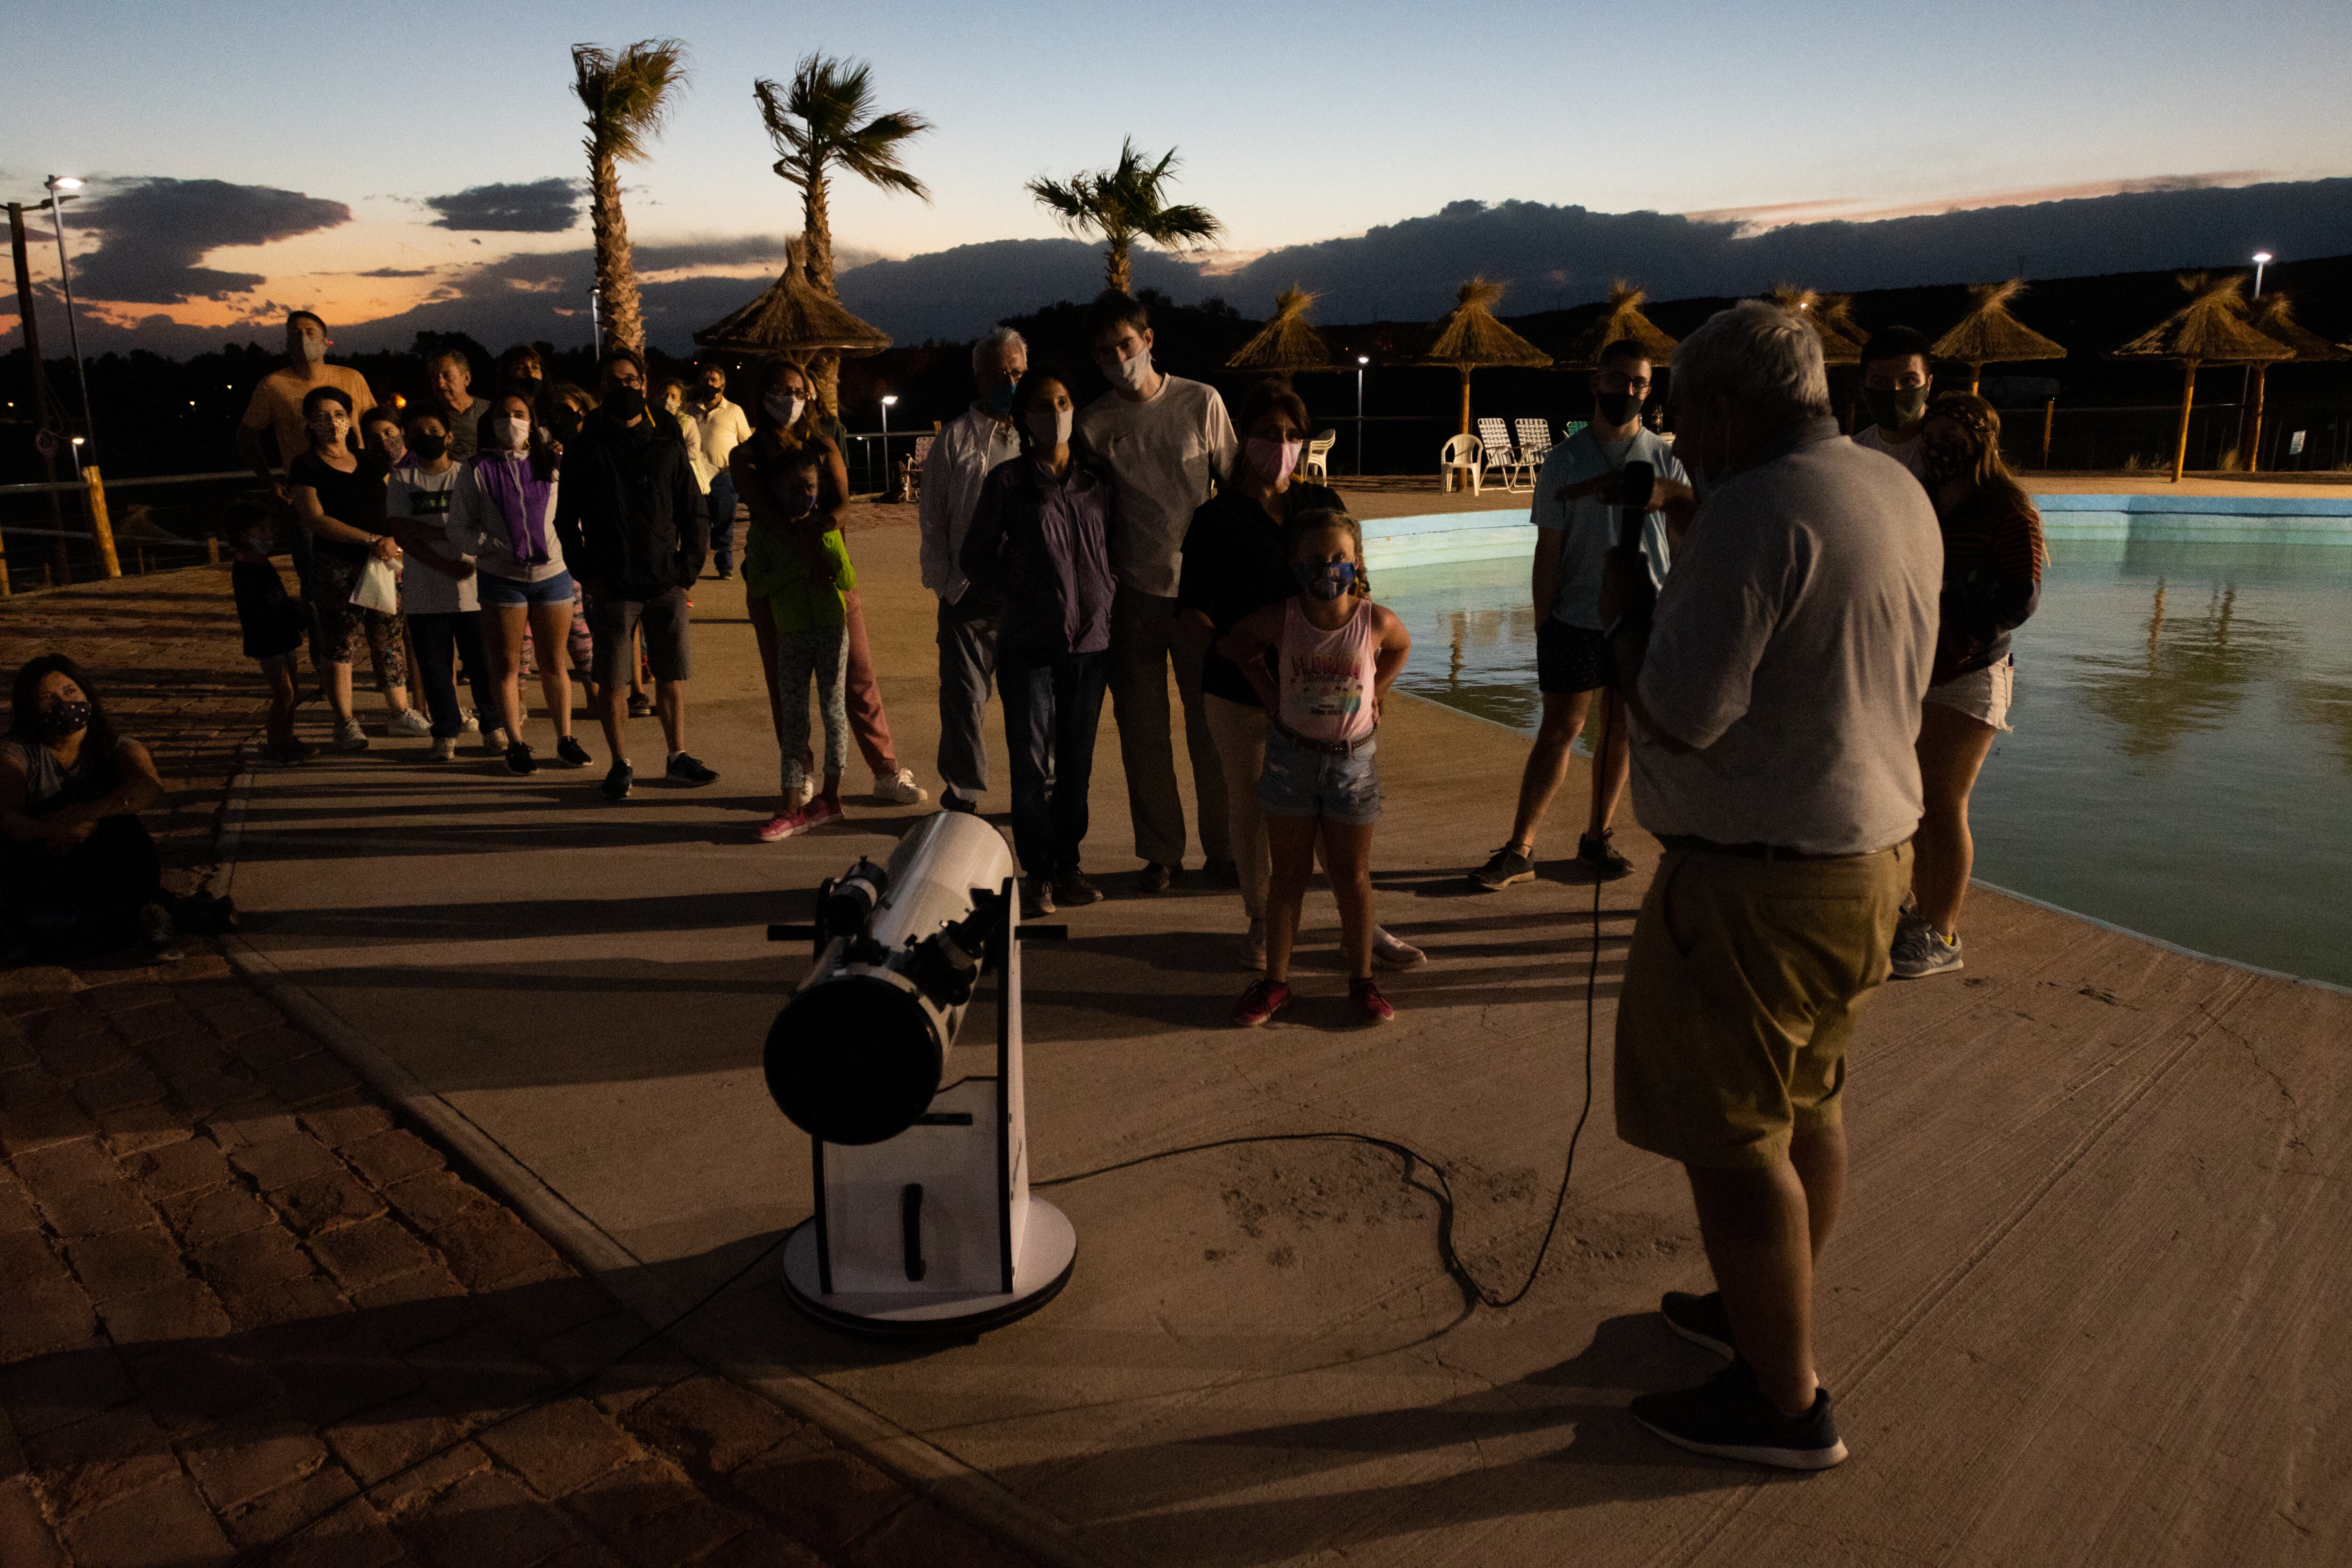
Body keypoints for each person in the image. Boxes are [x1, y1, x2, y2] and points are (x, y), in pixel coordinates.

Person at [1598, 300, 1939, 1469]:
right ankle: (1764, 1310)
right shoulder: (1890, 487)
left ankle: (1783, 1400)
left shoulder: (1751, 512)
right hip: (1867, 867)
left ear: (1728, 411)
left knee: (1735, 1141)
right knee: (1810, 1105)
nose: (1679, 437)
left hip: (1758, 891)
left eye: (1686, 415)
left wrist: (1627, 643)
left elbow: (1685, 715)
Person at [1178, 378, 1425, 973]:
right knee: (1254, 809)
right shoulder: (1215, 519)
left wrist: (1371, 684)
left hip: (1326, 693)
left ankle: (1357, 923)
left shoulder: (1318, 502)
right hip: (1240, 692)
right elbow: (1191, 608)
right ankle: (1262, 918)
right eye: (1268, 433)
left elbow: (1356, 586)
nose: (1282, 445)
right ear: (1243, 437)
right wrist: (1230, 649)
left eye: (1293, 434)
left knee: (1336, 811)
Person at [1469, 340, 1688, 892]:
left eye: (1639, 383)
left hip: (1641, 617)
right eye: (1617, 380)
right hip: (1575, 618)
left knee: (1617, 732)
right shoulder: (1565, 460)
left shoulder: (1665, 459)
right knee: (1559, 730)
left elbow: (1682, 539)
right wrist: (1544, 623)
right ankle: (1521, 845)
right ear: (1595, 383)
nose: (1628, 391)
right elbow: (1549, 548)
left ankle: (1597, 835)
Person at [1217, 509, 1411, 1027]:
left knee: (1352, 877)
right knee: (1288, 878)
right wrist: (1268, 695)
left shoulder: (1374, 621)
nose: (1326, 569)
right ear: (1293, 565)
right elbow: (1238, 646)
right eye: (1312, 561)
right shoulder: (1281, 619)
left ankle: (1362, 980)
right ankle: (1275, 982)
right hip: (1291, 763)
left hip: (1353, 766)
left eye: (1337, 559)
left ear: (1356, 562)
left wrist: (1378, 692)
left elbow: (1400, 647)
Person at [1076, 290, 1240, 893]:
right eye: (1104, 352)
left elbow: (1235, 488)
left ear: (1148, 339)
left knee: (1212, 733)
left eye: (1125, 344)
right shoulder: (1094, 424)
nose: (1118, 357)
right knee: (1143, 734)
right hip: (1133, 597)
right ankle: (1161, 853)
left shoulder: (1201, 402)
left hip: (1199, 598)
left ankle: (1223, 851)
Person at [1891, 393, 2043, 979]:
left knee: (1944, 804)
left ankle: (1941, 932)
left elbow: (2019, 598)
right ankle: (1914, 912)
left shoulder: (2006, 508)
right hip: (1913, 668)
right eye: (1932, 435)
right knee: (1914, 804)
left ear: (1982, 442)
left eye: (1954, 435)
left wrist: (1956, 622)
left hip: (1969, 673)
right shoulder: (1921, 500)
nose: (1939, 447)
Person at [732, 358, 925, 813]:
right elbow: (767, 515)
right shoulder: (746, 457)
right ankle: (800, 774)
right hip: (777, 587)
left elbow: (842, 507)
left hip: (831, 581)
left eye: (799, 391)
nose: (791, 399)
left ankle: (885, 770)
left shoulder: (823, 447)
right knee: (787, 686)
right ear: (762, 395)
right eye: (780, 389)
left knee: (858, 677)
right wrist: (807, 549)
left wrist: (823, 539)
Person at [960, 369, 1116, 917]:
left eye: (1065, 400)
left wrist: (1107, 594)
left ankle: (1069, 866)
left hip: (1092, 647)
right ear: (1024, 418)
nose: (1056, 412)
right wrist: (1025, 584)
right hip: (1029, 648)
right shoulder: (1006, 482)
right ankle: (1039, 874)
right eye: (1045, 405)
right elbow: (975, 558)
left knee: (1077, 766)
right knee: (1031, 769)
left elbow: (1116, 547)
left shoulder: (1097, 478)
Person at [554, 349, 715, 802]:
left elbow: (693, 509)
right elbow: (566, 521)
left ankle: (677, 756)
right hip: (612, 586)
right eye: (612, 381)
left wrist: (687, 569)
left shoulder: (666, 439)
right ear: (600, 388)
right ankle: (621, 763)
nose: (622, 388)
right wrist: (588, 574)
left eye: (630, 380)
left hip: (666, 581)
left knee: (671, 676)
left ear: (643, 385)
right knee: (614, 681)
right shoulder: (585, 446)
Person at [0, 655, 180, 963]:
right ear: (31, 709)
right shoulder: (17, 753)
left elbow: (147, 786)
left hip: (96, 857)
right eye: (48, 697)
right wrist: (49, 829)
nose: (63, 703)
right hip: (44, 858)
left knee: (123, 824)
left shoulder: (116, 746)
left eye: (70, 692)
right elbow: (6, 815)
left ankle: (147, 912)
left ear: (86, 695)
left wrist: (83, 815)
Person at [453, 389, 589, 775]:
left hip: (553, 576)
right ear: (490, 421)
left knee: (554, 663)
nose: (511, 421)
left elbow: (576, 515)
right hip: (502, 580)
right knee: (507, 666)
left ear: (532, 420)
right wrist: (490, 546)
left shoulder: (555, 463)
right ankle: (516, 743)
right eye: (502, 413)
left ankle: (565, 739)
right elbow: (458, 527)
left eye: (519, 413)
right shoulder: (476, 468)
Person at [920, 326, 1026, 814]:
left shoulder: (1037, 433)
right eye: (999, 373)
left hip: (1027, 597)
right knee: (963, 701)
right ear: (979, 379)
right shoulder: (954, 441)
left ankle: (1034, 791)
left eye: (1017, 372)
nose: (1010, 381)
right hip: (968, 596)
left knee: (1030, 705)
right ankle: (964, 793)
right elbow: (933, 522)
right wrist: (950, 586)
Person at [285, 386, 428, 749]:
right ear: (310, 423)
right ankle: (345, 721)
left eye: (339, 414)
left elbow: (398, 502)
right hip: (337, 565)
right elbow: (315, 518)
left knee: (388, 637)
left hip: (383, 563)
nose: (332, 423)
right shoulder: (306, 465)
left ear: (349, 419)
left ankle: (399, 711)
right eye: (322, 416)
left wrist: (392, 539)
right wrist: (369, 539)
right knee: (339, 642)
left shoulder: (370, 461)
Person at [742, 448, 855, 841]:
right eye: (794, 487)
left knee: (833, 709)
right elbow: (756, 584)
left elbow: (848, 580)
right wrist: (797, 567)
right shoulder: (763, 534)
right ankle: (790, 805)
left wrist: (829, 554)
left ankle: (830, 796)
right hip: (791, 632)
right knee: (794, 719)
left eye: (810, 486)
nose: (804, 494)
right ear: (776, 490)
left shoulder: (825, 528)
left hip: (830, 630)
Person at [388, 408, 501, 761]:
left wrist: (431, 530)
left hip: (472, 591)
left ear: (450, 436)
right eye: (418, 431)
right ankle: (446, 732)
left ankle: (494, 725)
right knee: (435, 667)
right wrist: (445, 554)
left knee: (482, 663)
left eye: (434, 429)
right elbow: (403, 531)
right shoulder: (402, 478)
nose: (427, 436)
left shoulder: (468, 474)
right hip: (425, 592)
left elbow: (483, 522)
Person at [223, 500, 310, 765]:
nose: (268, 534)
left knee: (293, 689)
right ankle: (276, 745)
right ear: (242, 535)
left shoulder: (262, 563)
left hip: (282, 634)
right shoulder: (245, 569)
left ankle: (287, 738)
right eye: (261, 529)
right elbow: (258, 608)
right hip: (268, 639)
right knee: (283, 693)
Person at [688, 363, 752, 580]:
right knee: (697, 524)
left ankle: (724, 566)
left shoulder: (734, 411)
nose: (709, 384)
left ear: (722, 385)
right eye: (706, 380)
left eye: (714, 380)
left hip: (724, 476)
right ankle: (692, 568)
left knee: (725, 524)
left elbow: (746, 442)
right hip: (697, 477)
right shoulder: (690, 411)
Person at [1852, 327, 1935, 479]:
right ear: (1863, 388)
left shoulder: (1947, 446)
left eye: (1909, 380)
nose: (1895, 391)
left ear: (1928, 384)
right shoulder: (1855, 454)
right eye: (1880, 382)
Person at [423, 348, 493, 461]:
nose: (440, 383)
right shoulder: (429, 418)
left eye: (447, 376)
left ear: (466, 378)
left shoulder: (490, 411)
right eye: (435, 377)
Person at [358, 405, 407, 469]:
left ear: (402, 431)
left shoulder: (419, 464)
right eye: (375, 437)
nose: (383, 439)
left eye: (388, 433)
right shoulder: (372, 470)